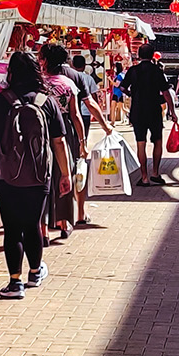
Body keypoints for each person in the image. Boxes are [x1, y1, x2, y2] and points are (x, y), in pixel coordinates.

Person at [0, 50, 72, 297]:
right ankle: (35, 272)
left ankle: (15, 282)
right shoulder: (47, 102)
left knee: (12, 228)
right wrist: (65, 174)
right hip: (39, 175)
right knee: (33, 225)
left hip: (4, 174)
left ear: (11, 72)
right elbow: (59, 142)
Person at [41, 44, 85, 236]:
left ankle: (43, 226)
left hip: (40, 129)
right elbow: (75, 115)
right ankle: (63, 221)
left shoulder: (38, 84)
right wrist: (82, 141)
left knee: (42, 175)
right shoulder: (68, 84)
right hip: (65, 129)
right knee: (65, 172)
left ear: (44, 60)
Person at [66, 51, 111, 228]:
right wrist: (104, 125)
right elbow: (90, 100)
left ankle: (56, 217)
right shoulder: (81, 78)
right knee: (79, 164)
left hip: (56, 126)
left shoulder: (48, 79)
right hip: (82, 117)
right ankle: (80, 212)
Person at [122, 45, 176, 187]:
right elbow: (166, 92)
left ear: (139, 55)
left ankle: (144, 176)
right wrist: (172, 111)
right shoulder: (157, 71)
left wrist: (132, 94)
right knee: (157, 141)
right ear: (153, 55)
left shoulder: (133, 71)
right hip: (154, 110)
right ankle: (155, 173)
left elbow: (122, 87)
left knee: (141, 143)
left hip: (137, 110)